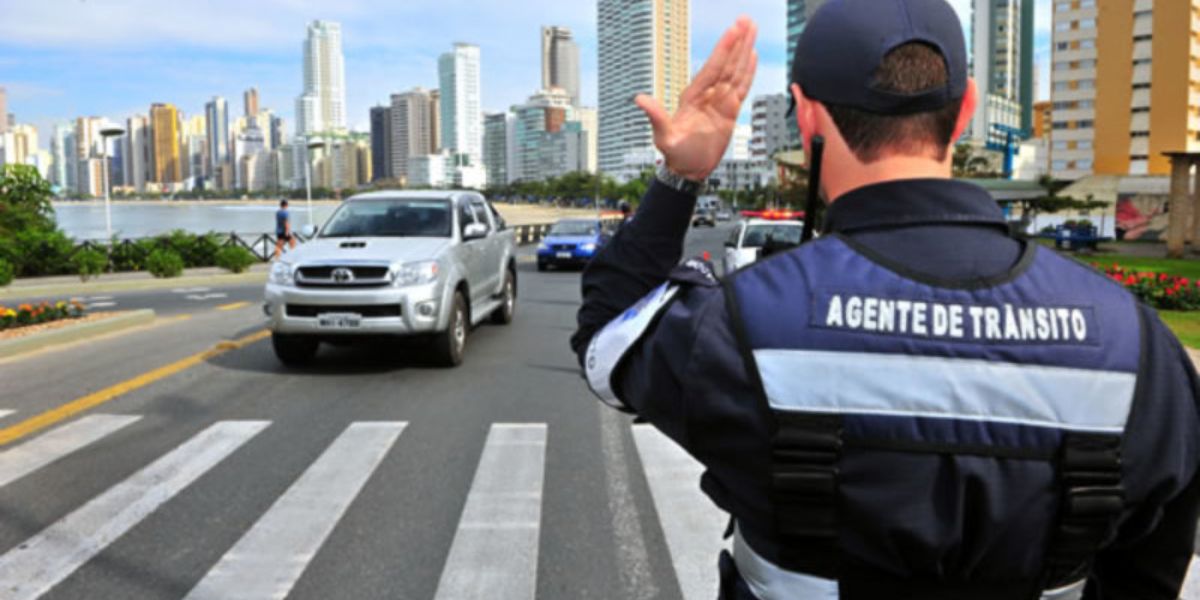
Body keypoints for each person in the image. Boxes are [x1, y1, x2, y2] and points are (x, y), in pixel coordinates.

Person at [572, 2, 1200, 598]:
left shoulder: (740, 324)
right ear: (966, 111)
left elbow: (607, 339)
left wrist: (680, 176)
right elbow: (1152, 564)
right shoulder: (1135, 345)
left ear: (806, 115)